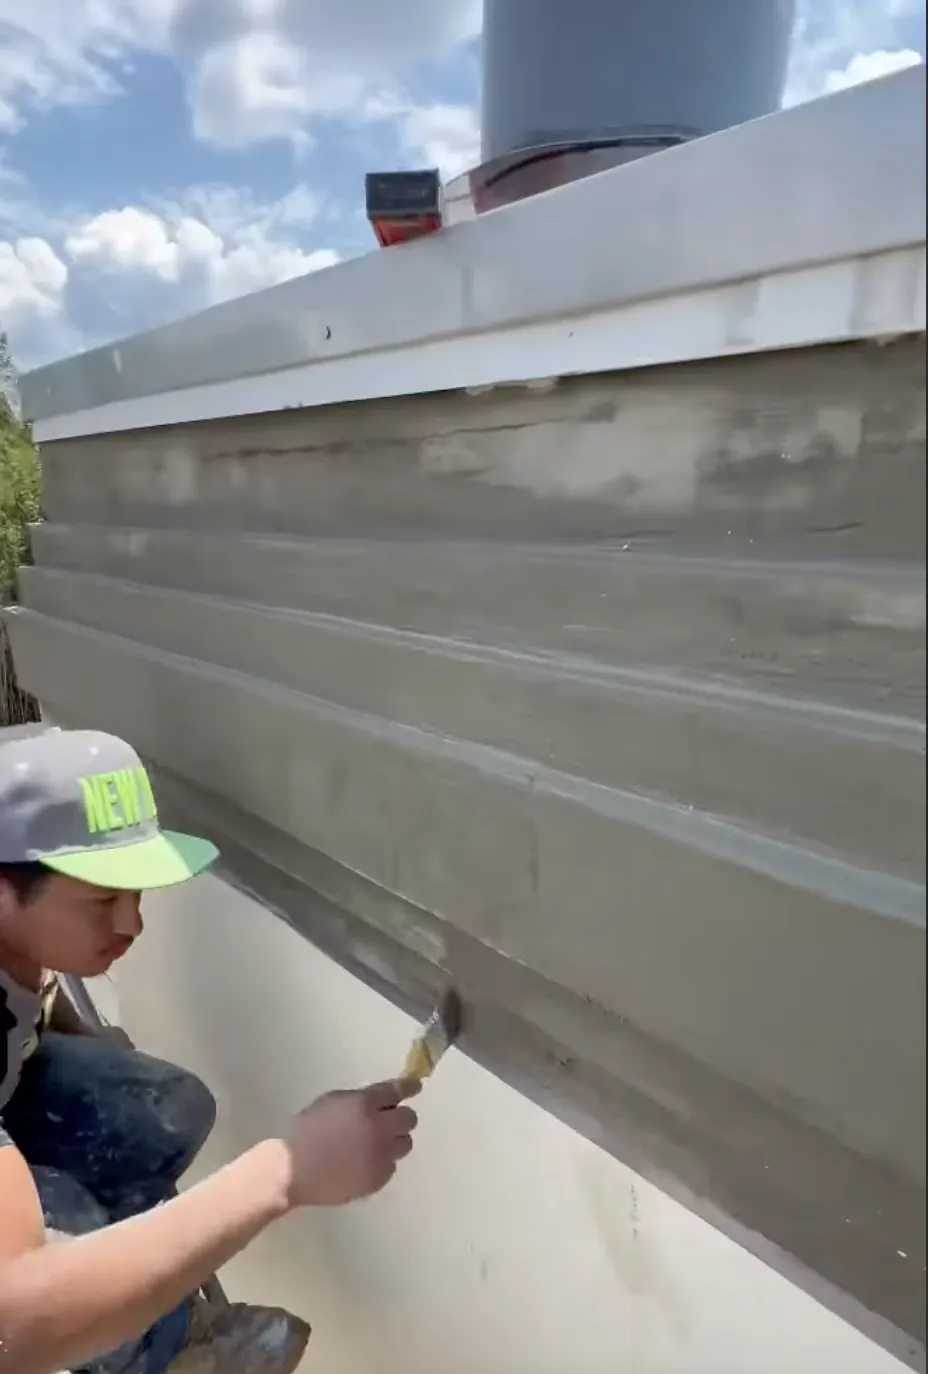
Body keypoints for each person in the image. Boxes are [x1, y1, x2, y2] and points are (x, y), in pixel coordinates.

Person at [0, 728, 420, 1374]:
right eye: (102, 900)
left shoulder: (20, 938)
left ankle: (148, 1315)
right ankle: (141, 1350)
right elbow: (15, 1323)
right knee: (76, 1285)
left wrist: (73, 1030)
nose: (130, 924)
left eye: (134, 892)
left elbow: (27, 1001)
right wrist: (285, 1174)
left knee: (166, 1108)